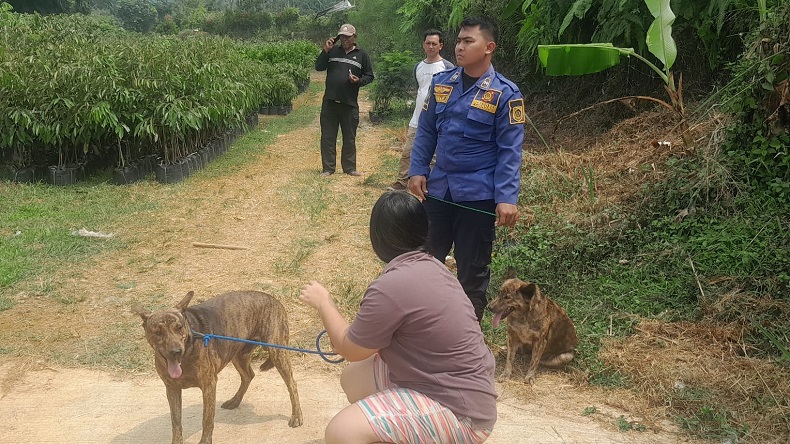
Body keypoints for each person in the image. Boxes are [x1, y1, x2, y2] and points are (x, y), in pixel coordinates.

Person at [298, 191, 497, 444]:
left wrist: (323, 302)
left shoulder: (390, 286)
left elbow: (351, 349)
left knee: (341, 431)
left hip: (462, 416)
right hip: (467, 394)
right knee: (354, 378)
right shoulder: (434, 267)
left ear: (378, 239)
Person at [407, 16, 525, 324]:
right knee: (426, 262)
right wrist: (417, 169)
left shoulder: (506, 94)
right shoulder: (442, 83)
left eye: (467, 41)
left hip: (478, 197)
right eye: (458, 40)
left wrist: (506, 197)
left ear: (489, 48)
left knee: (472, 270)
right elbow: (427, 131)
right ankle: (425, 329)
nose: (460, 46)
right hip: (440, 191)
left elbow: (510, 151)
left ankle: (467, 338)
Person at [388, 29, 454, 191]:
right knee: (408, 152)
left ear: (441, 46)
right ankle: (402, 182)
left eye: (434, 43)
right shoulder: (418, 66)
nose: (431, 46)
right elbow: (421, 90)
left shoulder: (448, 67)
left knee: (433, 156)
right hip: (417, 118)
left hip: (437, 120)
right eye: (428, 43)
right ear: (423, 45)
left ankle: (429, 185)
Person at [315, 23, 374, 177]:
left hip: (349, 103)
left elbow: (369, 75)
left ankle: (349, 168)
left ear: (354, 37)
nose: (344, 39)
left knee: (349, 137)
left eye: (348, 37)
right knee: (328, 137)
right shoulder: (333, 51)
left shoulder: (362, 55)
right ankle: (328, 168)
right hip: (330, 102)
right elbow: (319, 67)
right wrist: (325, 51)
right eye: (342, 36)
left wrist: (358, 81)